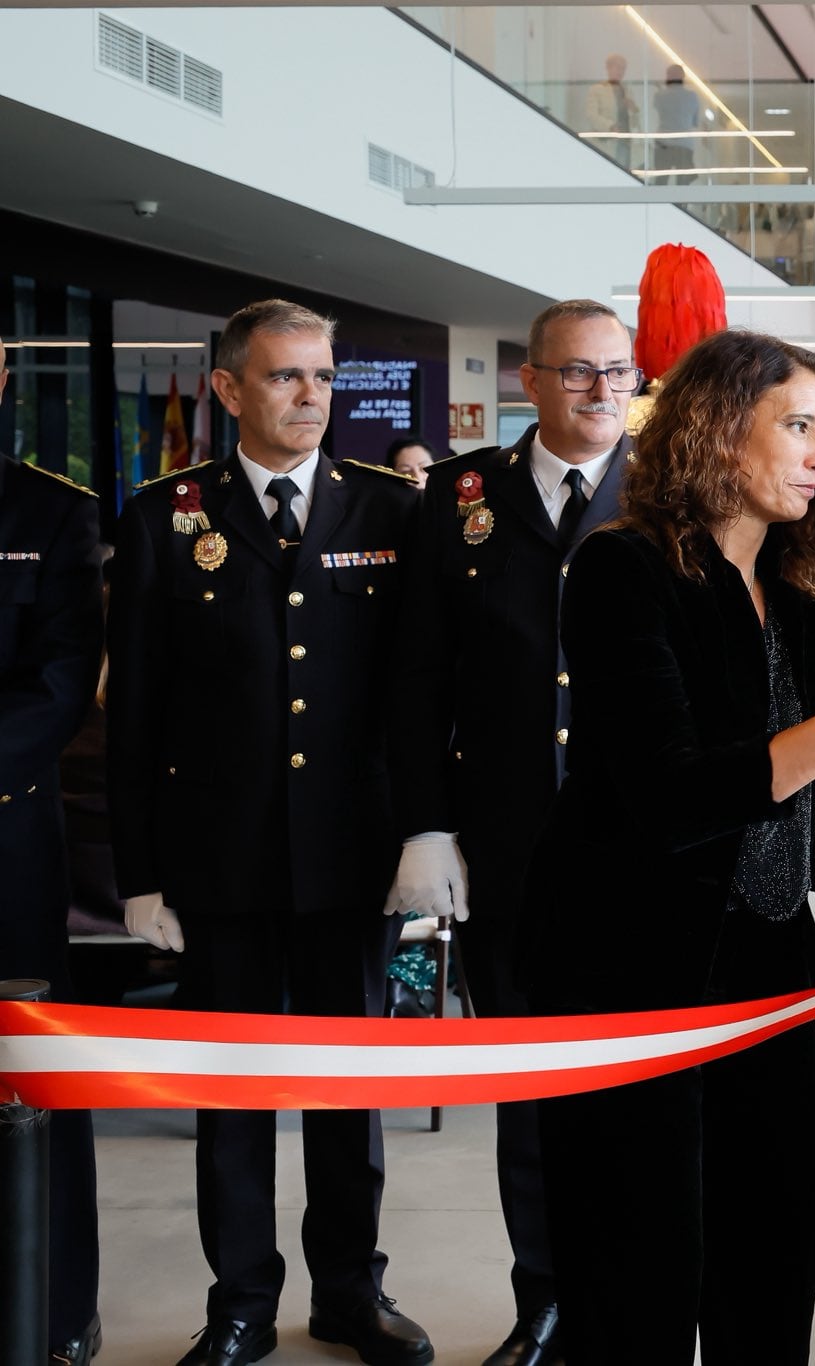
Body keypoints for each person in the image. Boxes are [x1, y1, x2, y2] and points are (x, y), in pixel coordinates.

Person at [519, 327, 815, 1362]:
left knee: (771, 1249)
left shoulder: (797, 584)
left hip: (764, 965)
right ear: (721, 432)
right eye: (798, 427)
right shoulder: (619, 571)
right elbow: (671, 798)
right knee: (634, 1266)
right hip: (623, 965)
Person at [107, 300, 431, 1366]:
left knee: (351, 1094)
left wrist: (428, 834)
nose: (311, 397)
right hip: (222, 861)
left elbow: (419, 697)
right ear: (230, 389)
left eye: (324, 378)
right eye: (287, 377)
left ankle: (349, 1290)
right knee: (231, 1096)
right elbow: (137, 713)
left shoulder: (387, 510)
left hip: (353, 855)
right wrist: (140, 873)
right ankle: (240, 1300)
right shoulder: (165, 517)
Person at [385, 298, 639, 1366]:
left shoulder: (673, 490)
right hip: (510, 846)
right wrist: (426, 827)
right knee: (533, 1094)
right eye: (576, 372)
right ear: (527, 382)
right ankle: (544, 1299)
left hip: (643, 850)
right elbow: (415, 676)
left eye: (616, 373)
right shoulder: (459, 497)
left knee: (641, 1085)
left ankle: (634, 1298)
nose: (598, 393)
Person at [0, 337, 105, 1365]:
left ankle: (58, 1309)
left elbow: (63, 675)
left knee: (34, 1075)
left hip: (7, 841)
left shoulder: (47, 511)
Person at [583, 53, 637, 164]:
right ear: (608, 67)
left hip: (625, 143)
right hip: (606, 144)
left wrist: (634, 110)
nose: (620, 71)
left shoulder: (627, 91)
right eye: (617, 67)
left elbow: (636, 122)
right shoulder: (597, 89)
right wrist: (610, 126)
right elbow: (591, 115)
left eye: (623, 68)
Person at [652, 63, 700, 172]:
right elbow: (695, 122)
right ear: (683, 77)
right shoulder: (692, 96)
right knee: (683, 182)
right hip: (684, 143)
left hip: (663, 143)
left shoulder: (659, 95)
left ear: (668, 77)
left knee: (661, 181)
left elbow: (658, 110)